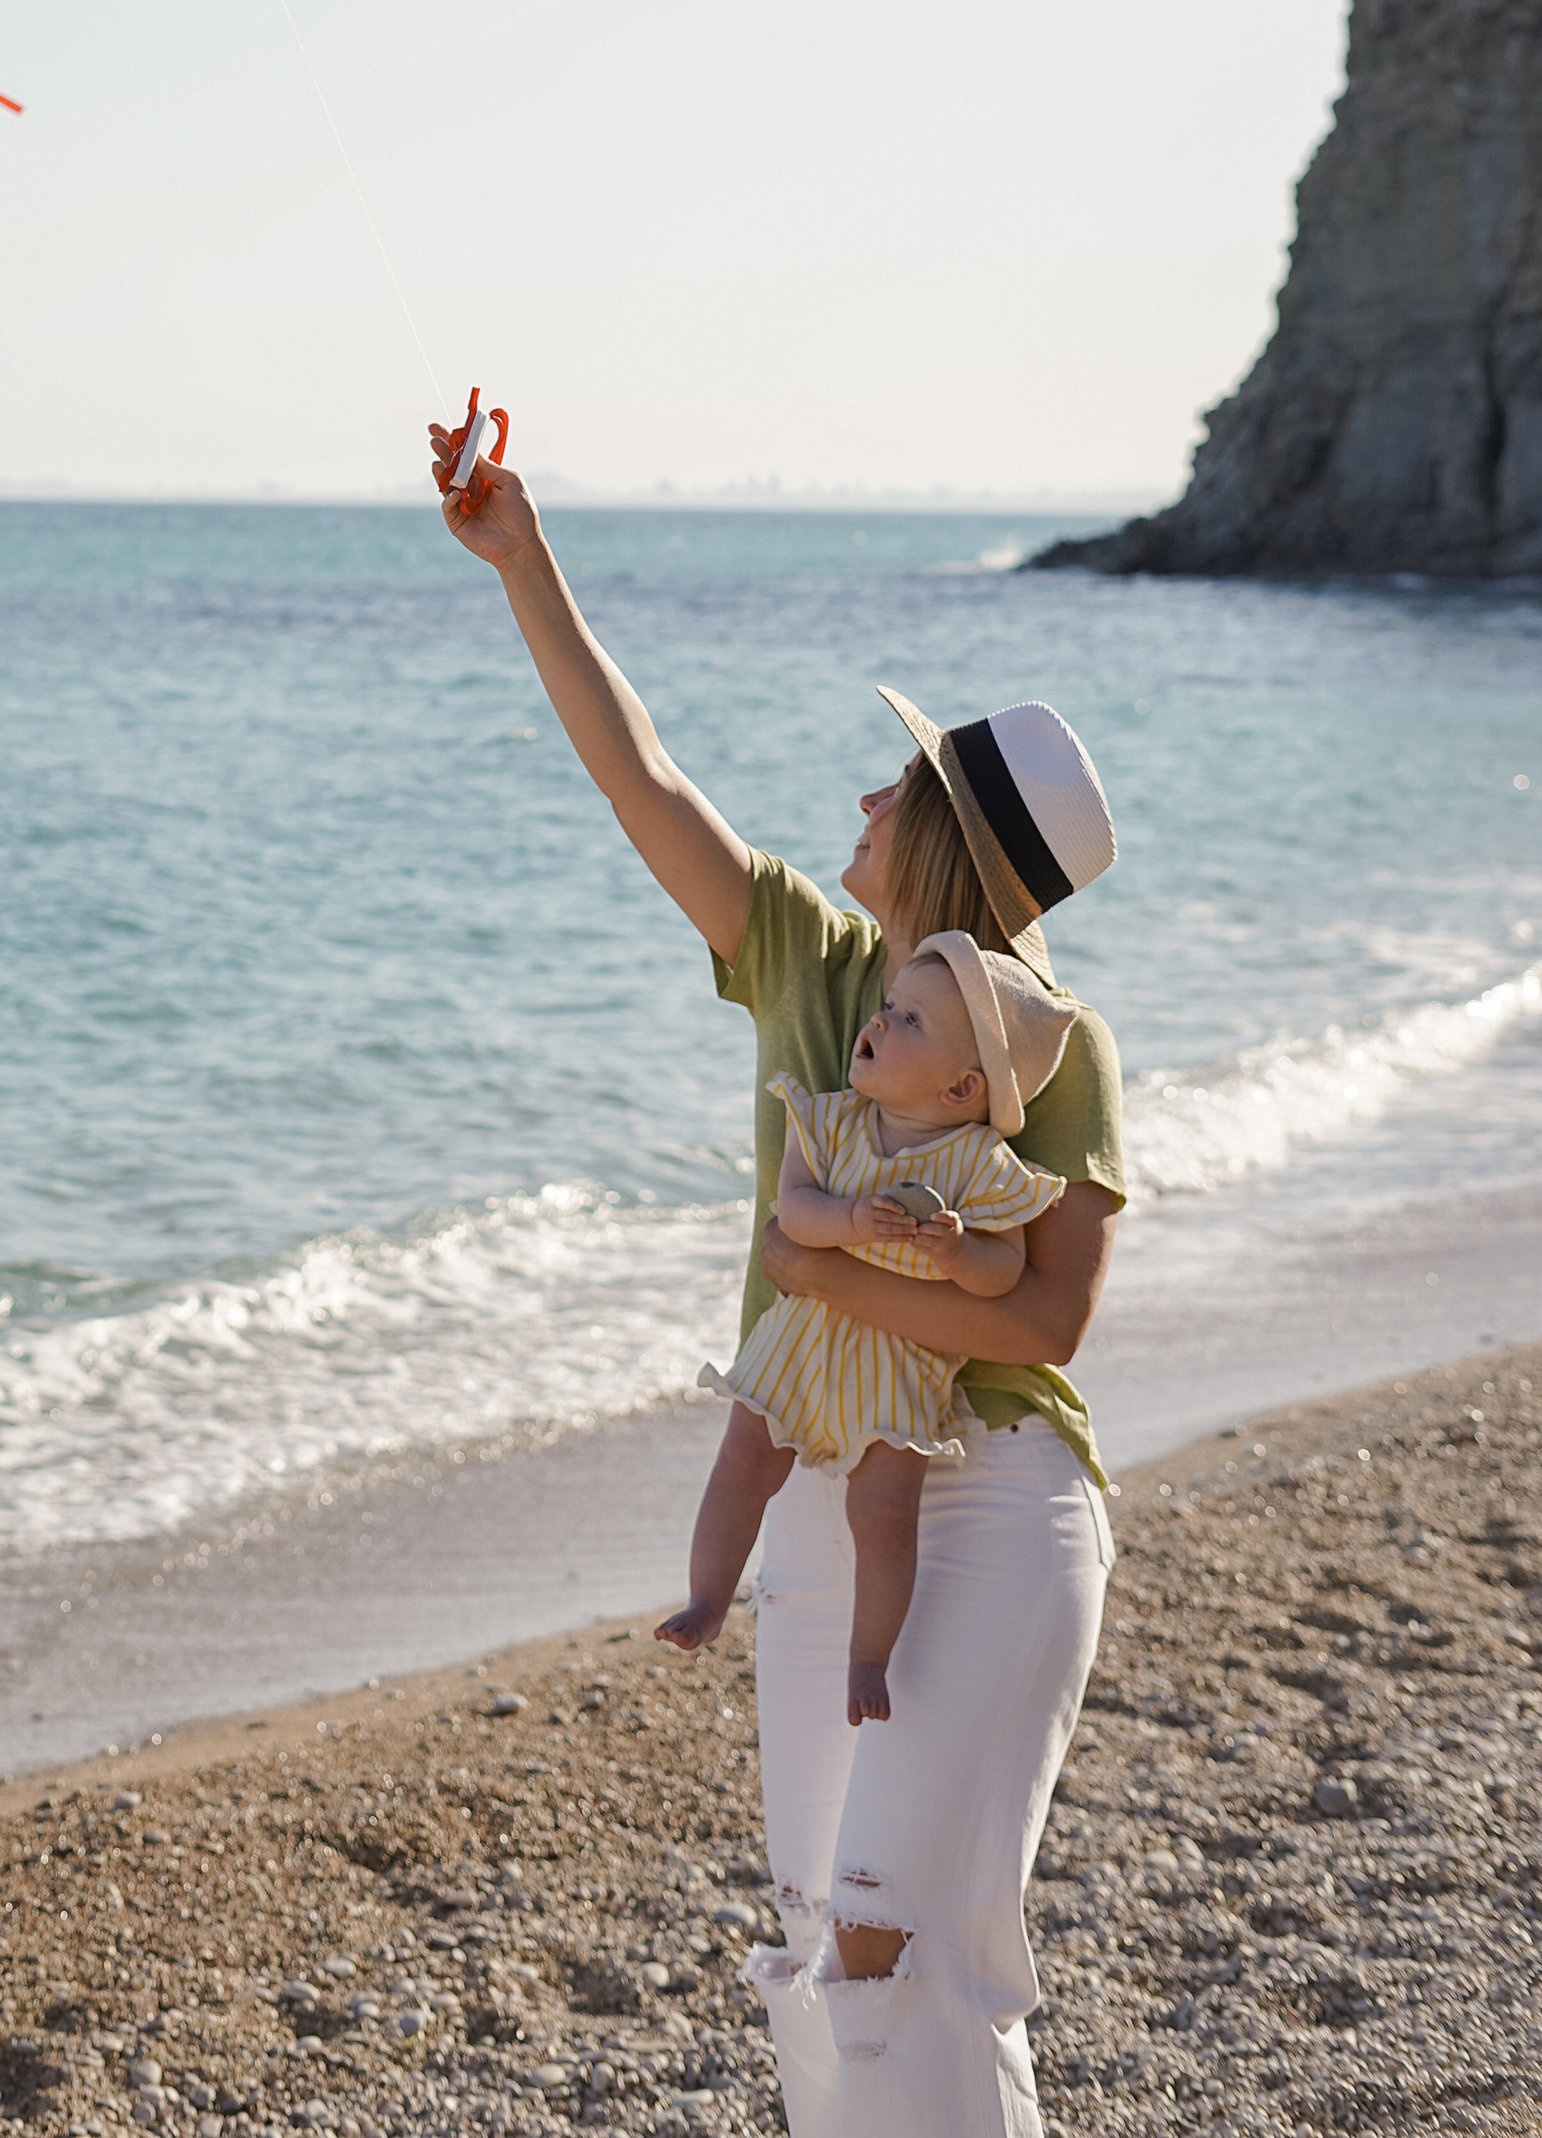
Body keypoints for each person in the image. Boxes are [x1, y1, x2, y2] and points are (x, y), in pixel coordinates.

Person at [430, 421, 1126, 2138]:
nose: (865, 801)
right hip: (823, 1502)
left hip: (996, 1503)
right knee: (827, 1962)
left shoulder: (1049, 1049)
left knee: (911, 1951)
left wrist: (808, 1262)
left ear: (955, 850)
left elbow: (1039, 1322)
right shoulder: (809, 968)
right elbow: (639, 778)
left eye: (899, 790)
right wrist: (525, 559)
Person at [664, 934, 1075, 1728]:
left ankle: (868, 1657)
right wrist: (850, 1217)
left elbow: (1005, 1277)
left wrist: (957, 1250)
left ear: (963, 1087)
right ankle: (709, 1596)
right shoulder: (829, 1122)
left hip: (900, 1368)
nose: (879, 1023)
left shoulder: (981, 1166)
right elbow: (794, 1216)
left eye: (909, 1020)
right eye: (888, 1008)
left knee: (885, 1512)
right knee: (744, 1456)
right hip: (802, 1345)